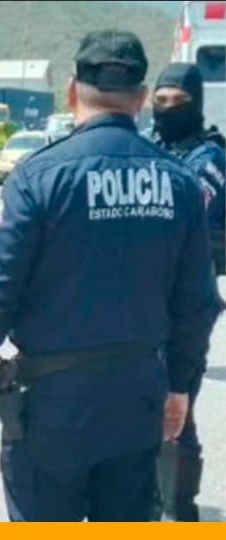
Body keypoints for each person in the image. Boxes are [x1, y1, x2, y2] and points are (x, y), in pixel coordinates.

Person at [0, 30, 222, 522]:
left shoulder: (39, 176)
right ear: (141, 100)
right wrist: (179, 384)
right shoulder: (178, 183)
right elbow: (196, 300)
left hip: (54, 405)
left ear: (71, 91)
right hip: (138, 394)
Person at [151, 62, 226, 522]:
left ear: (195, 104)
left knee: (179, 407)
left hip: (187, 304)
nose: (167, 110)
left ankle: (181, 510)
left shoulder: (211, 159)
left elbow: (180, 211)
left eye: (177, 102)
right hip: (146, 299)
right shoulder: (154, 145)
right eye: (160, 102)